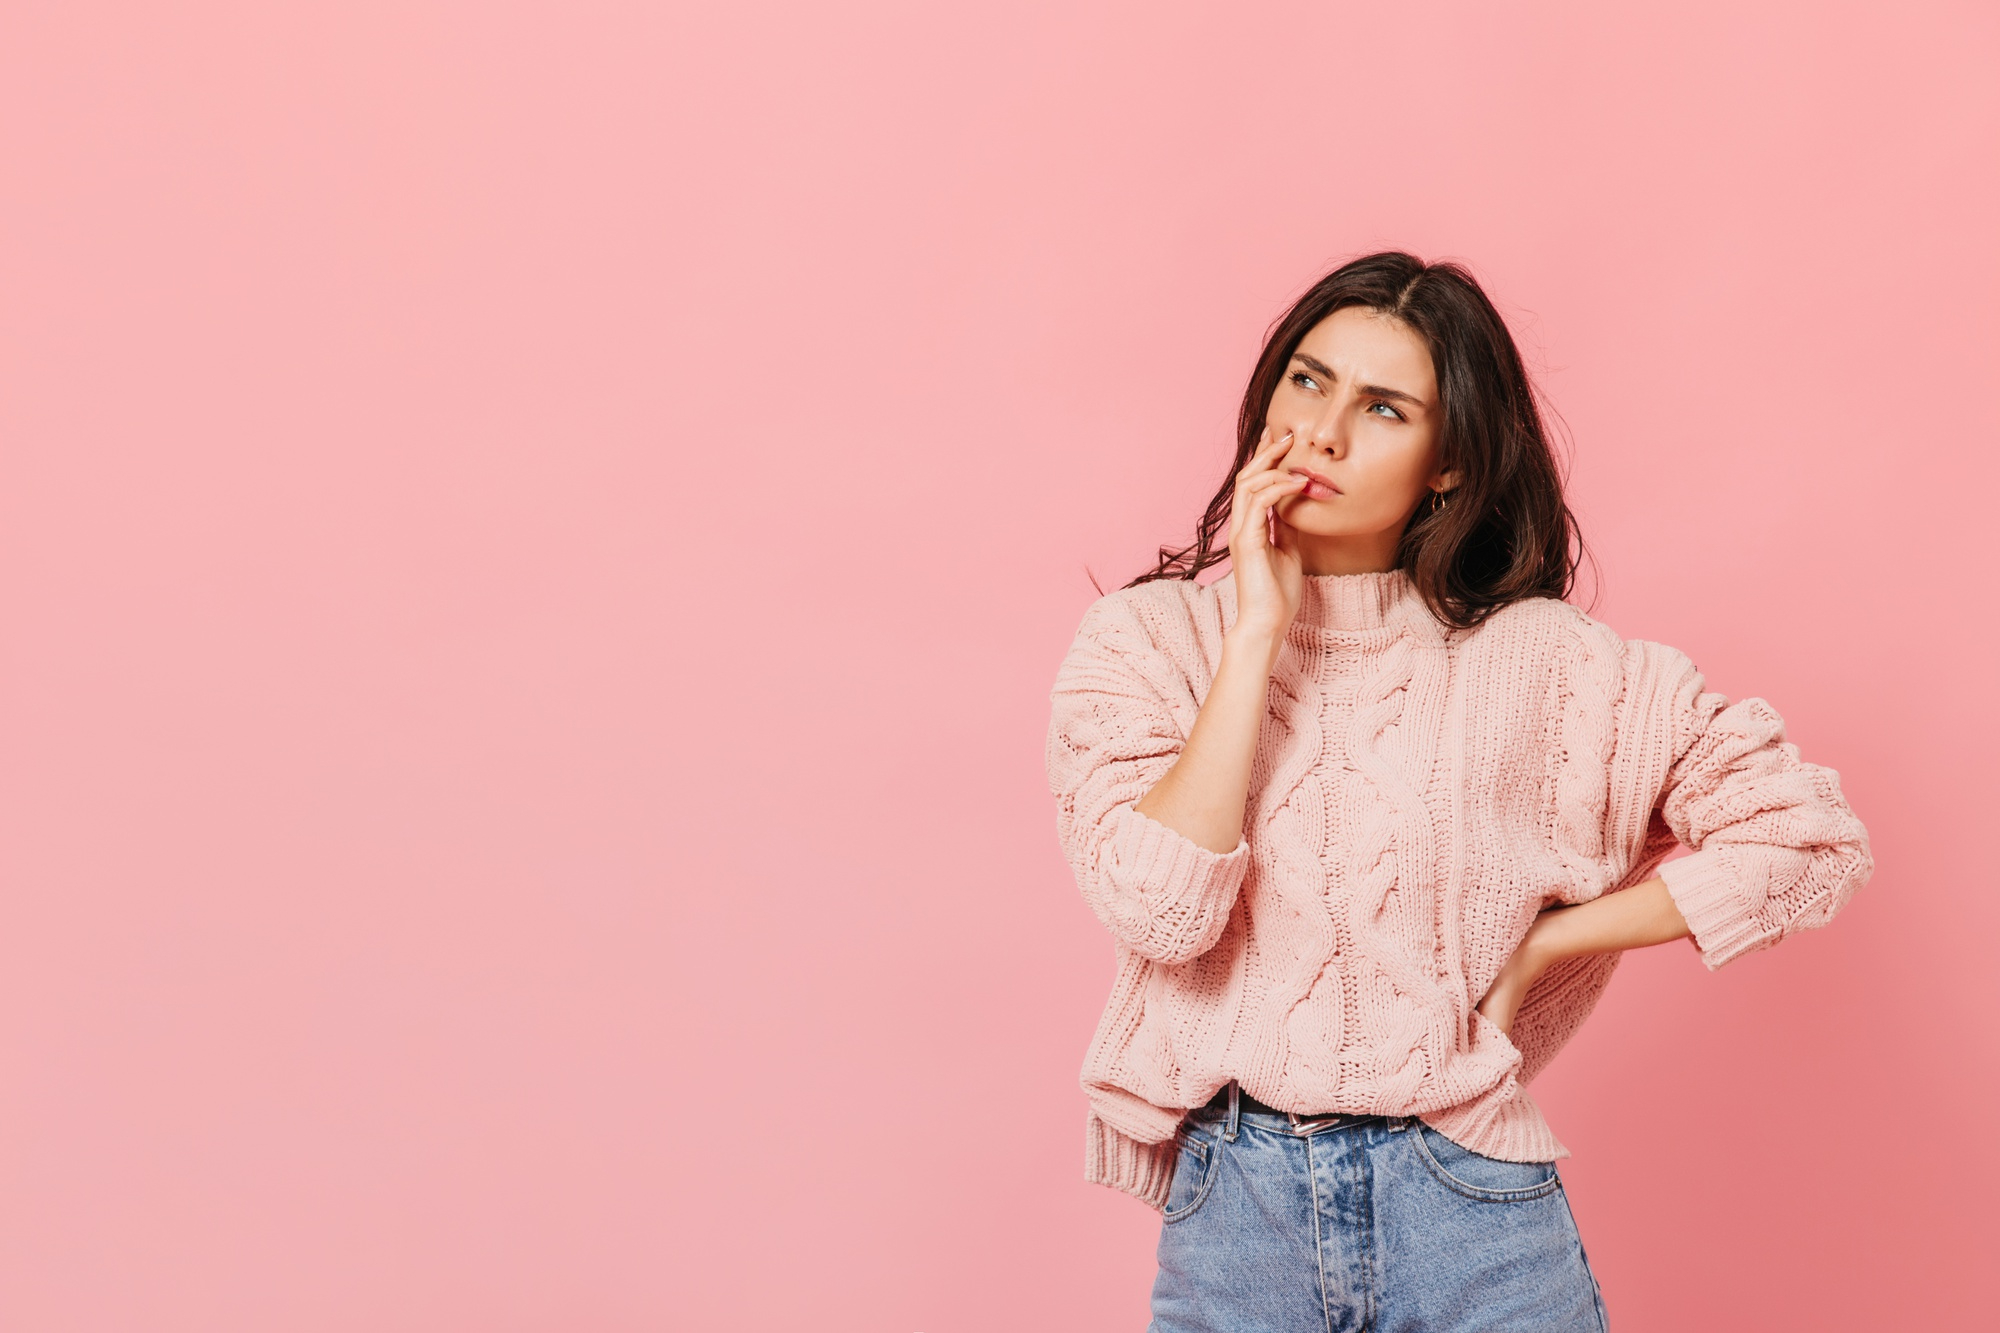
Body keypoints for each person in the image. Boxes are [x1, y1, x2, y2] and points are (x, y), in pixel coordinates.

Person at [1042, 251, 1873, 1333]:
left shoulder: (1547, 666)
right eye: (1307, 379)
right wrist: (1254, 634)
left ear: (1447, 463)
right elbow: (1161, 911)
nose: (1324, 432)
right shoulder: (1149, 642)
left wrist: (1544, 946)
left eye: (1382, 407)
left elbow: (1808, 842)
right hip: (1234, 1212)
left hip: (1469, 1206)